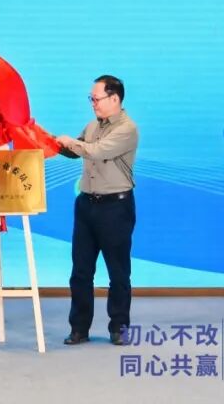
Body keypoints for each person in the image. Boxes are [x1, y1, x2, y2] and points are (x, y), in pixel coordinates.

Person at [55, 75, 139, 346]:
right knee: (80, 271)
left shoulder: (127, 129)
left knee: (118, 272)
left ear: (114, 98)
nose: (93, 104)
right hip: (86, 205)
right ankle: (79, 328)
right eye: (91, 99)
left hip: (115, 207)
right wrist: (49, 140)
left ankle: (119, 327)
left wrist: (71, 142)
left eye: (96, 99)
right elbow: (76, 150)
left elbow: (97, 151)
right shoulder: (92, 126)